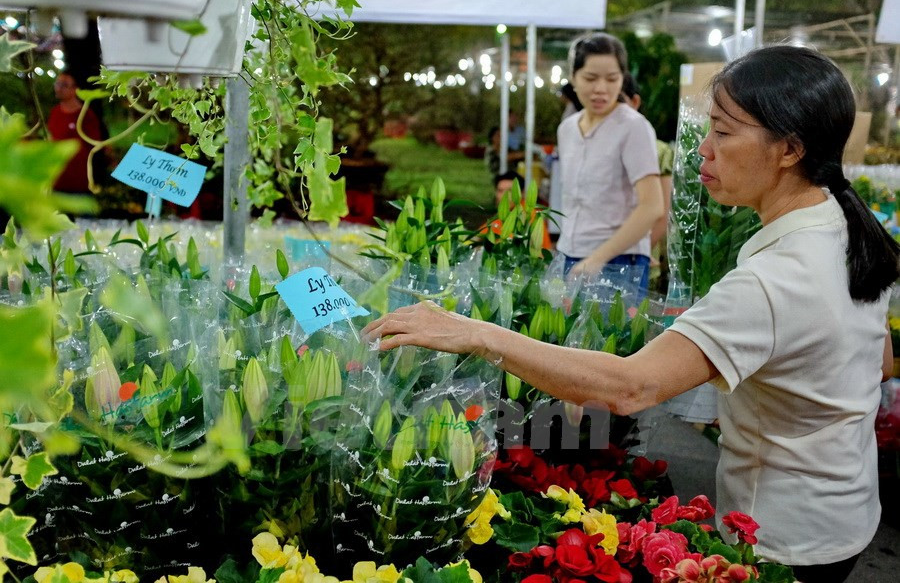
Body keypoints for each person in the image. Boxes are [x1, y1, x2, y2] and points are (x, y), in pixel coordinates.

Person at [364, 45, 900, 583]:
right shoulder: (845, 226)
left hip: (784, 539)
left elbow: (629, 389)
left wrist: (475, 333)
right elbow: (879, 362)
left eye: (723, 132)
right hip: (847, 511)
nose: (702, 153)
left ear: (788, 148)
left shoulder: (774, 279)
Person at [555, 33, 664, 293]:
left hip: (619, 261)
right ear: (573, 77)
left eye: (612, 79)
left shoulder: (633, 127)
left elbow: (652, 206)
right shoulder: (567, 129)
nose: (601, 88)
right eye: (591, 78)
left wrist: (598, 258)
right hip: (570, 252)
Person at [621, 72, 674, 284]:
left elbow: (662, 213)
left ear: (634, 102)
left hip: (639, 260)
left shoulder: (658, 151)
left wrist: (637, 252)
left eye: (619, 101)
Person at [47, 71, 105, 195]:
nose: (59, 88)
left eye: (64, 85)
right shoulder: (55, 112)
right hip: (56, 178)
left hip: (79, 183)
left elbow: (96, 144)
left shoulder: (86, 114)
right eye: (57, 83)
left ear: (76, 89)